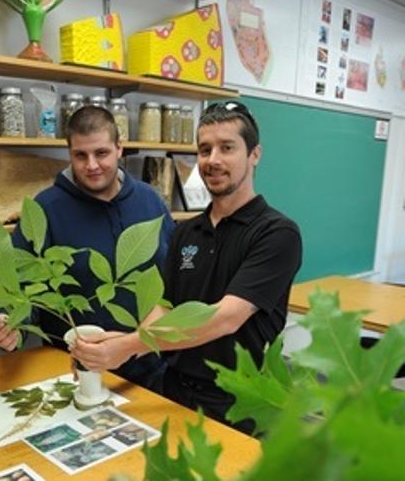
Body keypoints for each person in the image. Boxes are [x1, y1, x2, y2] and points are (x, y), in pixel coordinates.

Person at [70, 101, 302, 433]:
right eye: (205, 149)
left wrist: (127, 346)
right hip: (175, 391)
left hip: (241, 402)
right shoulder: (186, 231)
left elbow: (226, 318)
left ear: (255, 154)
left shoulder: (277, 233)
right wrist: (123, 342)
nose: (213, 160)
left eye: (227, 148)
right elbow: (165, 306)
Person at [0, 105, 175, 391]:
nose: (92, 165)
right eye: (80, 155)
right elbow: (16, 285)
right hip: (77, 372)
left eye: (101, 153)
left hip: (153, 368)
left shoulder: (150, 202)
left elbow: (174, 279)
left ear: (119, 148)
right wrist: (9, 321)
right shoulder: (46, 209)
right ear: (69, 154)